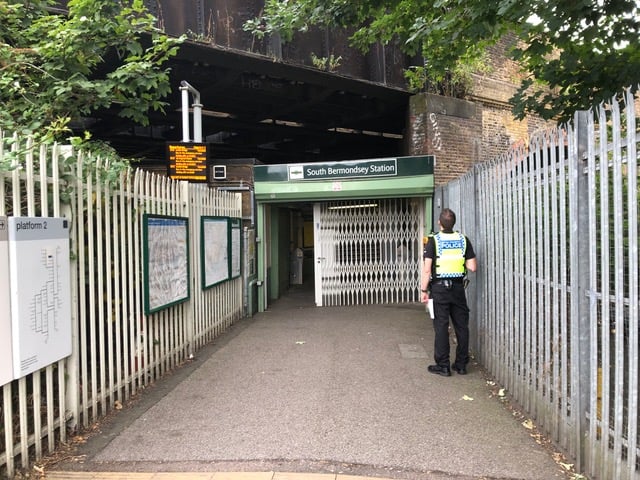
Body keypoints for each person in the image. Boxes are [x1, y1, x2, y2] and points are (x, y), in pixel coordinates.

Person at [420, 208, 477, 376]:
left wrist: (424, 290)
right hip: (458, 288)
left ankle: (443, 365)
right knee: (461, 326)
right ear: (454, 223)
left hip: (439, 289)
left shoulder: (434, 241)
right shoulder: (463, 240)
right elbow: (472, 267)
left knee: (441, 326)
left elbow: (427, 270)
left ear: (439, 223)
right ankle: (461, 365)